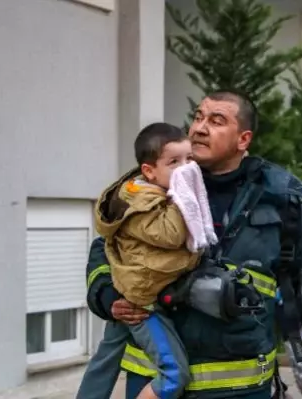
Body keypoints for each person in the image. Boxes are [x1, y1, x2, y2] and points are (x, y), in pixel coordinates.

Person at [82, 90, 302, 399]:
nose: (199, 128)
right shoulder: (154, 188)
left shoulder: (281, 204)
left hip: (240, 390)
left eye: (216, 120)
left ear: (243, 139)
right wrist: (107, 295)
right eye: (198, 117)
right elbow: (107, 248)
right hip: (154, 386)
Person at [87, 122, 221, 399]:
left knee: (104, 361)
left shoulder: (154, 191)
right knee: (173, 374)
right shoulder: (141, 203)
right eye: (174, 162)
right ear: (149, 171)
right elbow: (172, 235)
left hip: (141, 290)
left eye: (189, 160)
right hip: (142, 300)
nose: (185, 169)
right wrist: (183, 196)